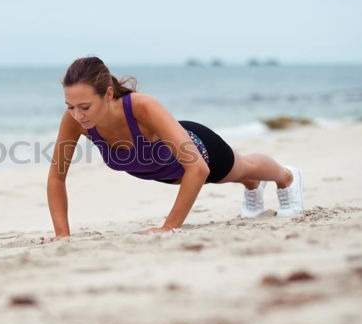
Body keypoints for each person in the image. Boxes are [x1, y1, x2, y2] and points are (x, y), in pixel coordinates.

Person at [46, 57, 303, 241]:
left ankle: (286, 177)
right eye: (70, 106)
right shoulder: (75, 121)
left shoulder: (142, 107)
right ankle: (252, 186)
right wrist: (62, 235)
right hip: (167, 173)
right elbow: (57, 177)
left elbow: (198, 168)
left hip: (201, 151)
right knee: (244, 177)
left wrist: (169, 228)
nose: (77, 115)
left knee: (243, 167)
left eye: (85, 107)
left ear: (109, 94)